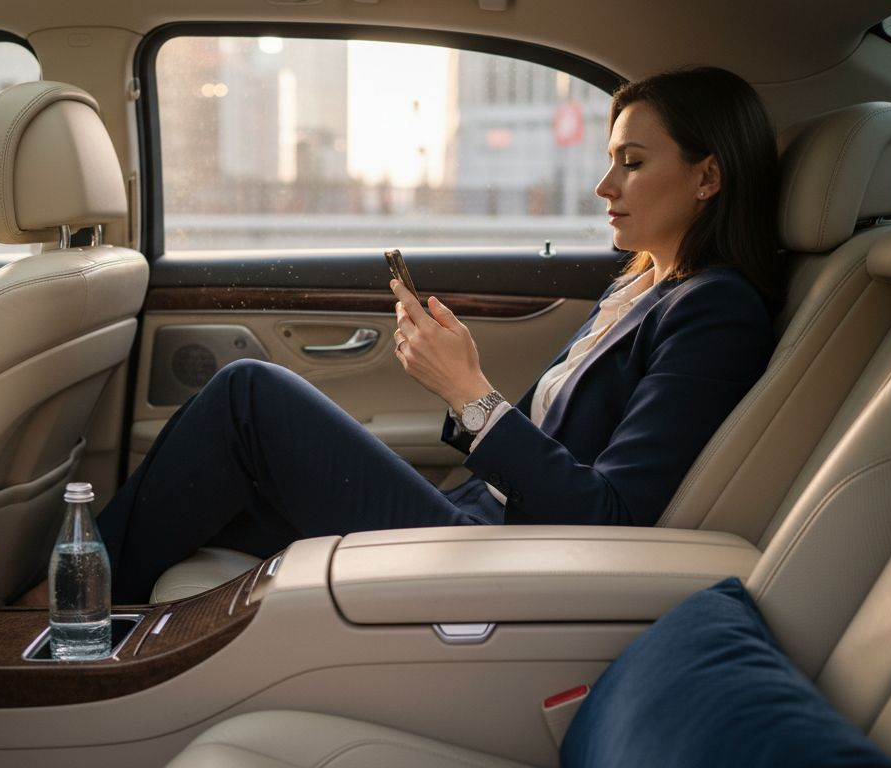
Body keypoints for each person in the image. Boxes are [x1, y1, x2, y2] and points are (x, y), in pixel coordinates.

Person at [98, 66, 784, 604]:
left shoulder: (715, 311)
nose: (605, 185)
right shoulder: (635, 288)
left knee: (249, 396)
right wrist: (466, 388)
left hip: (506, 557)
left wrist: (470, 391)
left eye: (631, 162)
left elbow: (615, 517)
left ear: (709, 176)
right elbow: (556, 435)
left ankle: (69, 600)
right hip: (476, 516)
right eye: (610, 159)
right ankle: (98, 616)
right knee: (230, 492)